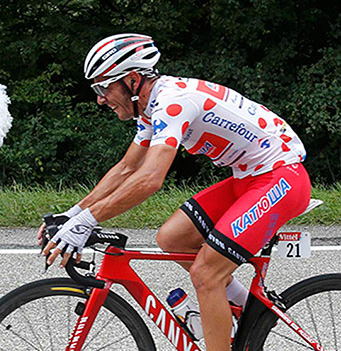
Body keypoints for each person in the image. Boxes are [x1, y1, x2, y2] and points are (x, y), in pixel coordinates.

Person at [41, 33, 311, 351]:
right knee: (172, 238)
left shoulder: (173, 102)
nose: (100, 98)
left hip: (283, 179)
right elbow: (127, 169)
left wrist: (87, 220)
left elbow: (151, 179)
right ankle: (240, 308)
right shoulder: (151, 108)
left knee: (206, 274)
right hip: (248, 179)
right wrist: (73, 214)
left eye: (104, 87)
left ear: (131, 80)